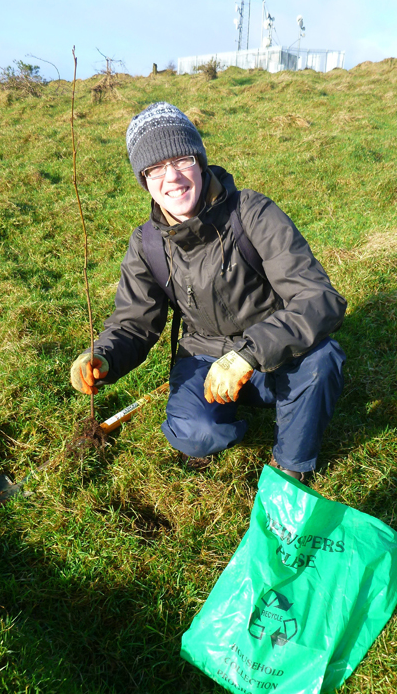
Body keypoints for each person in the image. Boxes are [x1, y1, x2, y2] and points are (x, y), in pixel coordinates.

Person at [70, 102, 347, 482]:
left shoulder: (251, 212)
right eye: (155, 169)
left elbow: (318, 297)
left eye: (181, 160)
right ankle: (230, 422)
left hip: (275, 354)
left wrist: (249, 354)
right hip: (204, 357)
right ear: (144, 180)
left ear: (199, 161)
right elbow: (133, 321)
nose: (172, 178)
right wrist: (102, 356)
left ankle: (290, 467)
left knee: (321, 359)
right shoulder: (147, 244)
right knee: (195, 434)